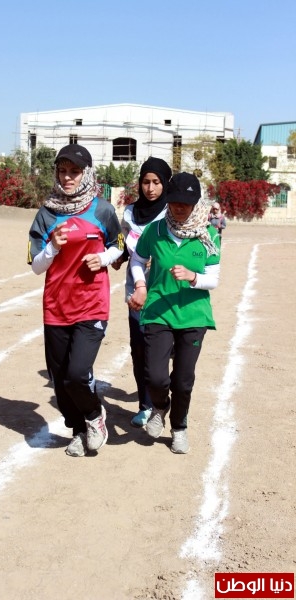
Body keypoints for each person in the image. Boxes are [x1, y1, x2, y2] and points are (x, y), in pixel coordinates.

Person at [28, 144, 124, 457]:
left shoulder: (102, 210)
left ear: (86, 174)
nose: (67, 177)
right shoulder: (46, 213)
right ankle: (80, 431)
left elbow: (119, 246)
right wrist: (53, 247)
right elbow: (36, 266)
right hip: (56, 306)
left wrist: (103, 258)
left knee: (77, 373)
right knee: (59, 379)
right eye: (62, 171)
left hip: (91, 304)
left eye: (74, 171)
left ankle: (95, 415)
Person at [128, 172, 221, 454]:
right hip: (158, 312)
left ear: (196, 203)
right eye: (175, 201)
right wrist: (141, 285)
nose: (180, 207)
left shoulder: (209, 235)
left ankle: (179, 428)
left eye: (186, 203)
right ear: (168, 200)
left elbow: (213, 279)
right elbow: (137, 259)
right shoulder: (155, 230)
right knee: (156, 377)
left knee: (182, 380)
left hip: (194, 316)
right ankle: (160, 407)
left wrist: (193, 277)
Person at [111, 157, 172, 428]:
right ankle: (146, 406)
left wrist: (156, 258)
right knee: (139, 348)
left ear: (165, 183)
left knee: (159, 349)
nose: (150, 188)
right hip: (135, 290)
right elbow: (126, 243)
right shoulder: (129, 213)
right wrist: (120, 257)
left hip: (164, 290)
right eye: (146, 182)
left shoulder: (172, 211)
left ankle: (162, 400)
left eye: (156, 182)